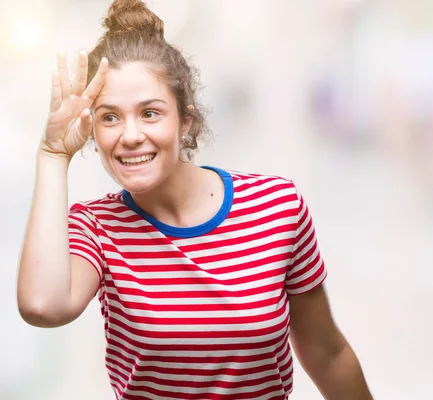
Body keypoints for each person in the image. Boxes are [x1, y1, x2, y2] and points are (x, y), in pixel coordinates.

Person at [16, 1, 373, 399]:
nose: (130, 135)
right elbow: (43, 306)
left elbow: (327, 353)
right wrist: (52, 154)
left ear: (185, 120)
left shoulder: (277, 205)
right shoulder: (96, 227)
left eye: (150, 113)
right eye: (110, 117)